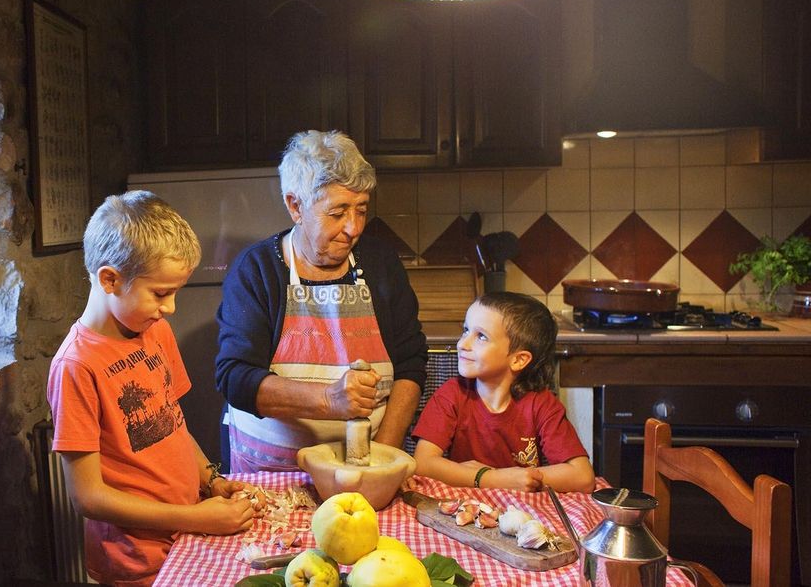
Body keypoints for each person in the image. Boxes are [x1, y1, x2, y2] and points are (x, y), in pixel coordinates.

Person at [47, 191, 264, 587]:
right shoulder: (75, 367)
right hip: (134, 562)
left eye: (176, 292)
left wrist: (210, 480)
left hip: (184, 538)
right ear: (110, 279)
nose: (171, 308)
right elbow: (88, 498)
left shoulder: (155, 331)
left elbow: (174, 426)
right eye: (161, 293)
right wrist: (197, 518)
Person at [216, 130, 428, 473]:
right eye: (337, 212)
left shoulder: (380, 263)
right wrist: (329, 400)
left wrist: (382, 458)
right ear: (295, 205)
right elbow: (236, 378)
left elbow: (410, 363)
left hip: (367, 469)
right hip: (272, 475)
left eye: (361, 210)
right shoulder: (256, 270)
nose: (353, 228)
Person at [411, 292, 596, 493]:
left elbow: (583, 477)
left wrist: (520, 479)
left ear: (518, 360)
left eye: (481, 336)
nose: (462, 344)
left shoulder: (542, 404)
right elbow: (423, 463)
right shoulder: (451, 395)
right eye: (465, 331)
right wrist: (491, 478)